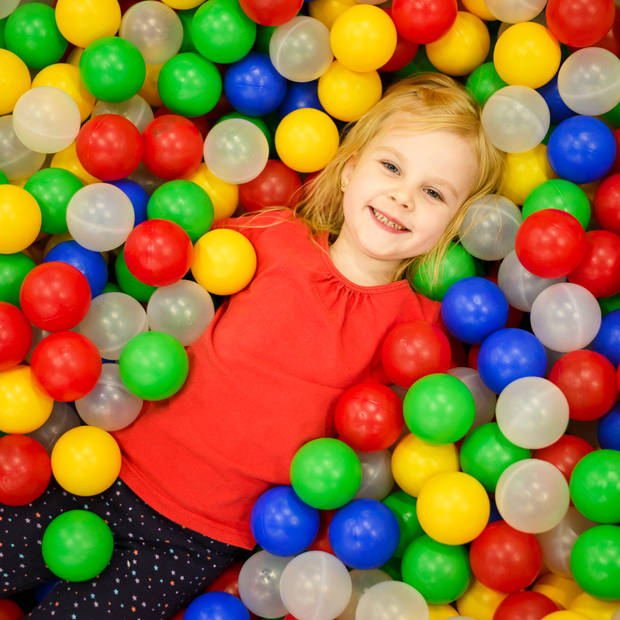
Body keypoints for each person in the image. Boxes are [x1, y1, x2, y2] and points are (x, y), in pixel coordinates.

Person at [0, 73, 505, 618]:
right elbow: (175, 280)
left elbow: (389, 438)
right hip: (101, 466)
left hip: (195, 540)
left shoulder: (416, 330)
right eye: (391, 167)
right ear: (351, 169)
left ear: (452, 224)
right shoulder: (274, 238)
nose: (403, 197)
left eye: (433, 193)